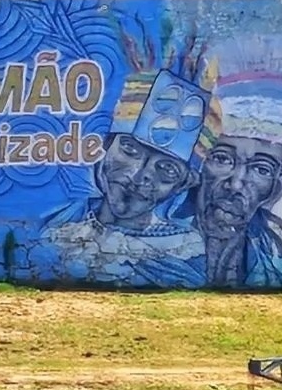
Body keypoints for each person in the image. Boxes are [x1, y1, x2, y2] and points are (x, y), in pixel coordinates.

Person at [41, 70, 209, 286]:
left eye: (167, 169)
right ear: (105, 146)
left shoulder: (183, 251)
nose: (138, 175)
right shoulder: (60, 227)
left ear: (184, 184)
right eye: (129, 149)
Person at [191, 78, 282, 287]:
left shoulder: (273, 247)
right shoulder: (149, 240)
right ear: (201, 164)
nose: (236, 184)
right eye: (222, 159)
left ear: (275, 189)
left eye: (261, 169)